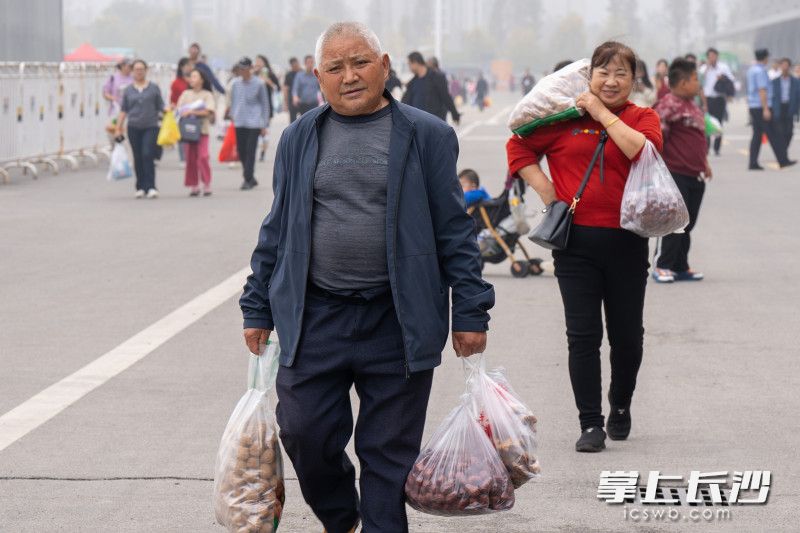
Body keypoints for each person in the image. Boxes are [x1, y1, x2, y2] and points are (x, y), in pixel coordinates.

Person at [240, 21, 494, 533]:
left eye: (360, 63)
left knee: (388, 455)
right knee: (304, 433)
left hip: (398, 319)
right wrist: (257, 303)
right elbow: (278, 225)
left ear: (384, 66)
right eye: (335, 68)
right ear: (318, 77)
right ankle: (342, 518)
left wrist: (470, 311)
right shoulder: (298, 137)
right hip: (316, 316)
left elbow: (455, 230)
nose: (349, 76)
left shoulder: (427, 135)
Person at [507, 41, 663, 453]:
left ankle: (621, 405)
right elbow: (518, 146)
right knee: (583, 336)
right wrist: (549, 193)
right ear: (589, 75)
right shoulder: (565, 118)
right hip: (574, 246)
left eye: (621, 74)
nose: (611, 81)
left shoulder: (642, 118)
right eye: (603, 72)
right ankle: (590, 423)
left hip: (628, 242)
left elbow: (642, 151)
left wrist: (599, 111)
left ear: (634, 80)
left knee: (627, 336)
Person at [652, 58, 712, 283]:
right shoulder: (668, 105)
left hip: (695, 174)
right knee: (675, 222)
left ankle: (680, 266)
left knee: (688, 223)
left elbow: (698, 138)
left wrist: (705, 163)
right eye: (695, 79)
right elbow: (657, 139)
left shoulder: (693, 106)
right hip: (675, 173)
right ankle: (663, 265)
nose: (698, 84)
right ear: (683, 82)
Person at [115, 59, 165, 199]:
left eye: (141, 69)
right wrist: (118, 128)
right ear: (132, 71)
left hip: (150, 125)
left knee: (147, 154)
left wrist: (169, 114)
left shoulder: (153, 88)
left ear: (146, 70)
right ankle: (140, 186)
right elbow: (124, 110)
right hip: (134, 126)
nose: (139, 72)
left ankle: (151, 186)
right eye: (136, 69)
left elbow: (161, 106)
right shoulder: (128, 90)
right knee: (137, 156)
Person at [747, 48, 795, 170]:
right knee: (775, 134)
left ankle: (753, 162)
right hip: (761, 106)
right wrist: (766, 109)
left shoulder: (752, 70)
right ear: (765, 58)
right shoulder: (761, 71)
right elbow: (762, 90)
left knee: (757, 135)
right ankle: (783, 160)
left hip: (754, 106)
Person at [229, 57, 270, 190]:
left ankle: (247, 178)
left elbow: (265, 104)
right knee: (241, 151)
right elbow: (233, 100)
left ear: (250, 68)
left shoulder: (259, 84)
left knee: (250, 151)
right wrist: (232, 115)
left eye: (245, 69)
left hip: (254, 122)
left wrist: (264, 124)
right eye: (240, 69)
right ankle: (251, 177)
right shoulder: (235, 83)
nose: (242, 71)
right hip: (239, 121)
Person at [177, 68, 215, 197]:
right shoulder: (186, 94)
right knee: (190, 158)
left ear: (202, 80)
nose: (191, 79)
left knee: (203, 157)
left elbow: (209, 110)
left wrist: (192, 111)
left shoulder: (207, 95)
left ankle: (206, 183)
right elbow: (179, 110)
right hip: (188, 132)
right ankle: (194, 185)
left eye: (195, 76)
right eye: (191, 76)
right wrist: (185, 112)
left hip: (202, 131)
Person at [402, 51, 460, 124]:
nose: (409, 68)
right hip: (418, 124)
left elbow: (446, 96)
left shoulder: (436, 77)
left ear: (416, 63)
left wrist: (454, 114)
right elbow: (405, 102)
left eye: (409, 64)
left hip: (435, 122)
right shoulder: (413, 82)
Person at [699, 47, 735, 156]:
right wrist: (707, 67)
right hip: (707, 99)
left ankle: (717, 148)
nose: (712, 58)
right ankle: (706, 147)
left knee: (719, 123)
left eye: (714, 56)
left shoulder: (723, 67)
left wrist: (722, 78)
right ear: (707, 57)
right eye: (710, 56)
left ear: (717, 56)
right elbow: (700, 82)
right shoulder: (703, 68)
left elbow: (731, 79)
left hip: (719, 98)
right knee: (707, 123)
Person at [254, 54, 281, 162]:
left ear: (264, 62)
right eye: (256, 61)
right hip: (254, 106)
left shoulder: (270, 74)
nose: (257, 63)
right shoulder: (252, 73)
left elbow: (277, 88)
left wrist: (267, 81)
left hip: (267, 105)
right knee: (254, 129)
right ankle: (254, 150)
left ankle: (263, 152)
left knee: (265, 129)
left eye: (259, 61)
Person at [771, 57, 800, 153]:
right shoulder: (774, 81)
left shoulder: (795, 81)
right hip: (778, 108)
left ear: (789, 67)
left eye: (786, 65)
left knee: (789, 132)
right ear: (780, 66)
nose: (785, 67)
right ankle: (782, 154)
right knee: (780, 132)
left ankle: (783, 151)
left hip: (790, 107)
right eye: (783, 65)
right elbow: (771, 96)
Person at [170, 57, 192, 163]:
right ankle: (183, 158)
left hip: (194, 112)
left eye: (190, 65)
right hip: (180, 112)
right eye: (187, 65)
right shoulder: (176, 82)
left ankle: (191, 156)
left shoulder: (194, 80)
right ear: (181, 67)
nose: (189, 67)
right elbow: (173, 99)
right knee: (182, 136)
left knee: (192, 134)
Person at [283, 57, 301, 122]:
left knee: (305, 118)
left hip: (303, 100)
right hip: (291, 100)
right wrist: (285, 103)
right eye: (294, 65)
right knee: (293, 120)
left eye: (297, 64)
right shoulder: (288, 75)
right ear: (291, 65)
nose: (296, 66)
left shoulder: (303, 73)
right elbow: (285, 89)